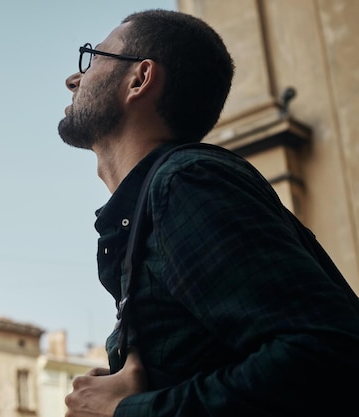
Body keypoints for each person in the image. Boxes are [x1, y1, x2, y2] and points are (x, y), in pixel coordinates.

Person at [58, 9, 359, 417]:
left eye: (93, 58)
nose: (73, 79)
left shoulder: (186, 184)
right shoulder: (163, 198)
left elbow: (326, 356)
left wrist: (128, 410)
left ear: (140, 78)